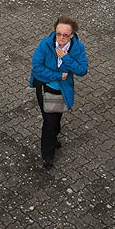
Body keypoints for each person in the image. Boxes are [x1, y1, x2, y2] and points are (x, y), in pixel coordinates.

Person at [30, 15, 88, 169]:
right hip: (45, 88)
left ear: (72, 34)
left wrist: (66, 58)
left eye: (65, 35)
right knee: (49, 123)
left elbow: (82, 70)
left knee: (57, 118)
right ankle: (47, 156)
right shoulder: (45, 44)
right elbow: (37, 66)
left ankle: (54, 138)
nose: (61, 37)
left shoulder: (77, 48)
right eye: (58, 33)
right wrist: (57, 75)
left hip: (63, 90)